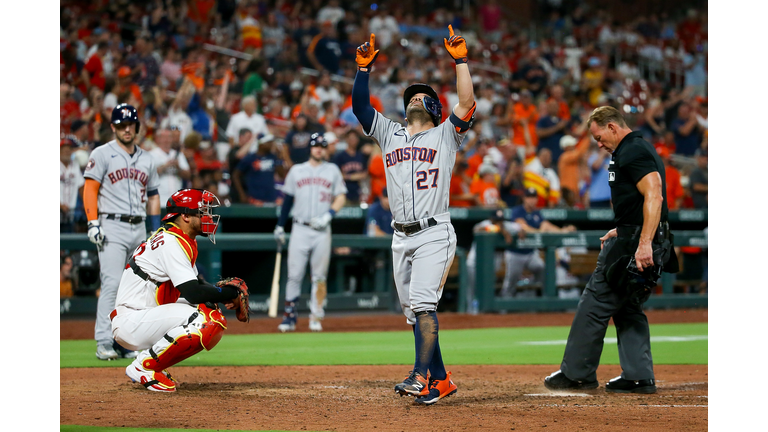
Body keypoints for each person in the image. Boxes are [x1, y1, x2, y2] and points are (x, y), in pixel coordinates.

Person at [351, 26, 475, 405]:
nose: (415, 99)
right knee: (414, 315)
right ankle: (441, 379)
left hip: (434, 231)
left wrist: (460, 62)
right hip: (400, 235)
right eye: (411, 97)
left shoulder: (445, 136)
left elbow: (467, 103)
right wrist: (363, 71)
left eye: (422, 97)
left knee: (423, 304)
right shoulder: (390, 133)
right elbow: (360, 108)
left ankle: (420, 376)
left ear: (435, 110)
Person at [544, 106, 678, 394]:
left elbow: (655, 194)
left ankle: (577, 373)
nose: (598, 144)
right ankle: (638, 376)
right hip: (642, 238)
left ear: (613, 127)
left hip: (636, 246)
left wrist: (642, 243)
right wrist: (627, 227)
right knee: (628, 307)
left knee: (594, 303)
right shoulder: (635, 149)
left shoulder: (633, 151)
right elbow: (641, 200)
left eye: (599, 137)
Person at [112, 188, 250, 392]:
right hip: (132, 320)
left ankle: (154, 362)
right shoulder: (170, 241)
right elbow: (193, 292)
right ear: (185, 216)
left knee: (209, 309)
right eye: (202, 212)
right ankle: (144, 366)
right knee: (207, 320)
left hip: (143, 314)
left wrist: (223, 296)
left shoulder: (177, 237)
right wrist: (230, 293)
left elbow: (197, 285)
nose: (208, 217)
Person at [83, 103, 162, 361]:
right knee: (113, 284)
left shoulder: (147, 159)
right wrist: (92, 222)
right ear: (113, 127)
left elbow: (153, 196)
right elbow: (90, 189)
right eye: (121, 125)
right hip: (112, 226)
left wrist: (154, 229)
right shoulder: (103, 153)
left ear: (137, 127)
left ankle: (127, 342)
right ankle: (104, 340)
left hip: (139, 225)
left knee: (138, 288)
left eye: (130, 125)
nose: (126, 129)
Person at [273, 133, 347, 333]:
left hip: (322, 229)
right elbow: (287, 199)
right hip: (300, 228)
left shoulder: (332, 170)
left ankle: (316, 316)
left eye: (322, 146)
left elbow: (341, 197)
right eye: (316, 146)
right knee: (294, 275)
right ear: (310, 148)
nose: (319, 149)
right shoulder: (297, 170)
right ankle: (289, 317)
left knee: (319, 277)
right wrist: (280, 225)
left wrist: (329, 215)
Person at [502, 187, 575, 297]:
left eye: (534, 197)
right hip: (515, 253)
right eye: (529, 197)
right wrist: (541, 231)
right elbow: (523, 227)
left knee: (541, 269)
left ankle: (537, 296)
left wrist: (564, 230)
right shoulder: (517, 211)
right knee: (510, 282)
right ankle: (504, 307)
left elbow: (547, 226)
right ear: (524, 198)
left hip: (530, 254)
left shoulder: (537, 213)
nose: (531, 200)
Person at [466, 209, 522, 313]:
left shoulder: (506, 225)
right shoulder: (485, 224)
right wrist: (498, 229)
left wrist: (521, 231)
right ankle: (471, 313)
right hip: (474, 263)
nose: (499, 223)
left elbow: (520, 227)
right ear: (491, 219)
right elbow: (477, 229)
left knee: (488, 290)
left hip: (490, 265)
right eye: (496, 220)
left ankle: (487, 314)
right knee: (472, 290)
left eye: (500, 220)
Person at [233, 134, 286, 205]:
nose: (271, 144)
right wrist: (242, 194)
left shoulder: (273, 157)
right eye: (268, 142)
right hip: (254, 197)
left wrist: (279, 158)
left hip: (271, 197)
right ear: (261, 144)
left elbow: (281, 175)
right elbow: (236, 175)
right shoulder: (250, 158)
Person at [149, 129, 191, 207]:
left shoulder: (178, 154)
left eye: (169, 137)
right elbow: (147, 175)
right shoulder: (151, 154)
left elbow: (188, 175)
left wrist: (178, 167)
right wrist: (165, 166)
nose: (167, 140)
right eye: (164, 137)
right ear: (158, 139)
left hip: (177, 202)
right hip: (158, 201)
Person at [332, 128, 368, 205]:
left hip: (359, 192)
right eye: (351, 138)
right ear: (346, 139)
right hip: (344, 192)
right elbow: (338, 175)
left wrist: (348, 176)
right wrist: (353, 177)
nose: (353, 140)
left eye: (355, 138)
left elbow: (365, 174)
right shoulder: (340, 156)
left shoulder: (361, 156)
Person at [61, 138, 85, 233]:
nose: (66, 151)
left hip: (69, 214)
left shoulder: (74, 166)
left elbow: (81, 186)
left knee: (69, 242)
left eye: (69, 149)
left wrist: (86, 203)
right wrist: (60, 205)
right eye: (63, 149)